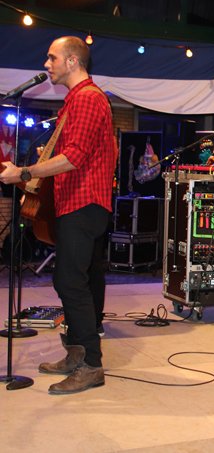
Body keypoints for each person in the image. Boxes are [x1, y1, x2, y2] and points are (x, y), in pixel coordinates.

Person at [0, 36, 116, 394]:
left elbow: (74, 157)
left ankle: (91, 365)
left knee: (70, 282)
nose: (46, 64)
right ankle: (76, 352)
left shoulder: (87, 99)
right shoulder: (75, 100)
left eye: (52, 58)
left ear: (72, 61)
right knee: (69, 280)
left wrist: (25, 171)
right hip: (74, 203)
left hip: (84, 203)